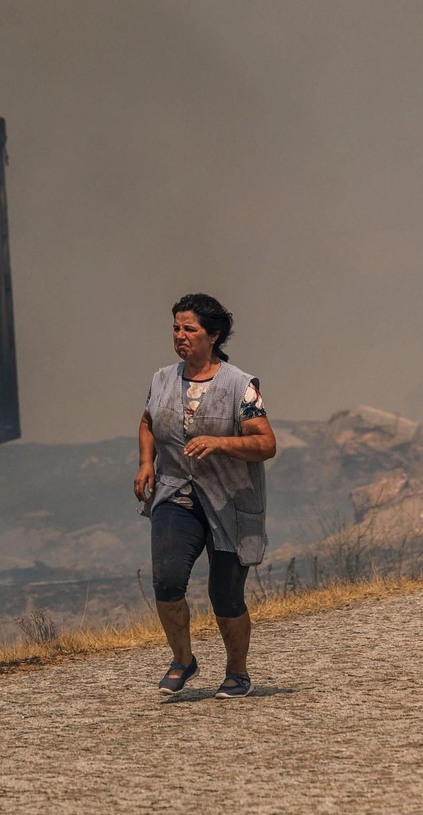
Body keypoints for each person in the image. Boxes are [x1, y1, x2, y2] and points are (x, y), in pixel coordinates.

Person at [133, 293, 276, 698]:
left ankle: (237, 672)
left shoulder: (241, 387)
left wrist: (221, 442)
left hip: (230, 500)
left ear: (213, 335)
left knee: (226, 594)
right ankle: (182, 660)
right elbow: (147, 421)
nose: (180, 336)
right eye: (176, 328)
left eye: (189, 329)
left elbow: (266, 444)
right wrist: (147, 463)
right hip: (176, 492)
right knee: (168, 579)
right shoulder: (162, 379)